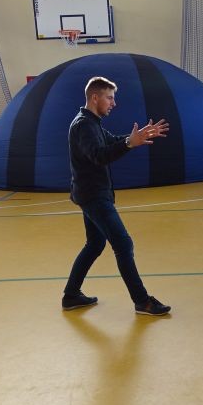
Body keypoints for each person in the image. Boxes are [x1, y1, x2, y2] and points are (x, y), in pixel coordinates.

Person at [63, 76, 172, 315]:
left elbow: (111, 141)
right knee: (123, 244)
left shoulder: (91, 123)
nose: (114, 103)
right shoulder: (84, 125)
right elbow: (99, 155)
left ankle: (71, 295)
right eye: (110, 98)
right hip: (93, 195)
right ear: (95, 97)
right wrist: (129, 144)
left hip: (90, 193)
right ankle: (142, 301)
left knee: (95, 244)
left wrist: (135, 138)